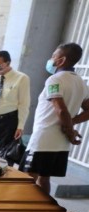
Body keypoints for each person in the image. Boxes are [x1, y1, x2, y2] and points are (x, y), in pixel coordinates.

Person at [20, 43, 89, 194]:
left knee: (27, 178)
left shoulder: (55, 80)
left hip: (44, 140)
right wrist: (71, 124)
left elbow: (61, 109)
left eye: (53, 56)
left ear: (61, 60)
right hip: (60, 144)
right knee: (44, 179)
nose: (50, 59)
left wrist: (70, 130)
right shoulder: (81, 83)